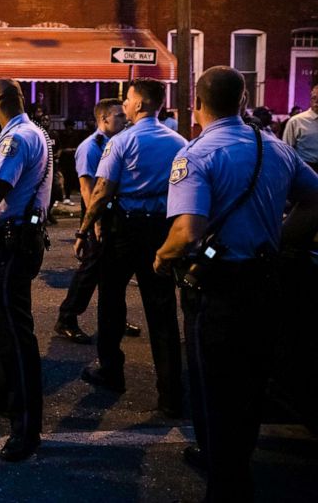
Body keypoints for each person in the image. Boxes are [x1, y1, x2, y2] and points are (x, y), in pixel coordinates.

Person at [153, 66, 318, 502]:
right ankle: (231, 464)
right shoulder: (275, 148)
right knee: (251, 388)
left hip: (221, 289)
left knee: (218, 392)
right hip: (267, 282)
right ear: (243, 102)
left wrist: (162, 256)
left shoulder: (197, 154)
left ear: (198, 103)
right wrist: (282, 237)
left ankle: (227, 484)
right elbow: (313, 197)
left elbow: (188, 231)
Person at [73, 79, 186, 419]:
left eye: (128, 99)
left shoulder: (122, 142)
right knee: (162, 309)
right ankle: (170, 392)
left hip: (124, 228)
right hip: (161, 228)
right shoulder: (180, 142)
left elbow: (102, 192)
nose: (123, 105)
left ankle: (112, 370)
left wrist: (83, 230)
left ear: (139, 105)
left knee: (111, 300)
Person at [0, 79, 52, 462]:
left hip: (13, 243)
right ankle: (4, 395)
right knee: (4, 328)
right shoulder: (33, 133)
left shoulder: (16, 139)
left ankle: (26, 428)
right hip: (11, 241)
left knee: (17, 335)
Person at [54, 99, 139, 344]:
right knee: (89, 271)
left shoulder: (119, 143)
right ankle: (67, 318)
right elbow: (86, 188)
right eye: (120, 117)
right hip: (98, 215)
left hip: (117, 214)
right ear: (104, 119)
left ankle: (115, 317)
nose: (125, 120)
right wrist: (95, 222)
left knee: (115, 273)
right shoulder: (90, 147)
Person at [282, 83, 318, 173]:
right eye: (314, 98)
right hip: (306, 168)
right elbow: (287, 150)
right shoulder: (296, 121)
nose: (316, 101)